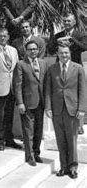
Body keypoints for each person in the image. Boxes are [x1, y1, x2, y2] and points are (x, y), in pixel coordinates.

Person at [45, 45, 86, 179]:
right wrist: (48, 108)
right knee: (60, 140)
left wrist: (81, 109)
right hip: (57, 110)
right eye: (61, 53)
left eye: (66, 53)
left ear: (70, 53)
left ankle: (73, 167)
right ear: (57, 53)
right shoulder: (52, 69)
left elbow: (83, 90)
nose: (64, 55)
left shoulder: (78, 68)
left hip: (72, 110)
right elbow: (48, 91)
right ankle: (63, 167)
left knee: (72, 139)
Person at [50, 13, 87, 134]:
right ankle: (63, 123)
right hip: (60, 69)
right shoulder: (58, 35)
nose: (66, 23)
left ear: (74, 22)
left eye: (69, 21)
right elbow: (50, 49)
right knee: (63, 94)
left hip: (75, 69)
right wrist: (57, 42)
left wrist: (72, 40)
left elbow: (84, 47)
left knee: (77, 95)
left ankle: (80, 125)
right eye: (65, 21)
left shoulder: (80, 34)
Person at [0, 28, 22, 150]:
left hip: (11, 87)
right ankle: (0, 140)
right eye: (0, 36)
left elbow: (16, 69)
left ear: (8, 37)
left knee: (9, 114)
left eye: (4, 36)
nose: (2, 38)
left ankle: (9, 139)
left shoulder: (13, 50)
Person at [13, 40, 47, 166]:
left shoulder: (43, 63)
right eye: (30, 49)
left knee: (38, 130)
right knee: (28, 130)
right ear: (26, 51)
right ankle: (30, 155)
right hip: (27, 103)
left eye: (35, 49)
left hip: (41, 102)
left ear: (38, 50)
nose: (33, 51)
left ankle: (37, 153)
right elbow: (17, 85)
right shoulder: (21, 64)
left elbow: (46, 83)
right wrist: (20, 103)